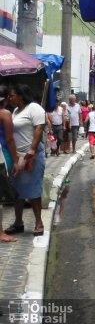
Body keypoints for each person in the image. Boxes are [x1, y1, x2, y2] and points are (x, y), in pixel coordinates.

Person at [5, 84, 46, 237]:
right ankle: (18, 222)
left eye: (12, 95)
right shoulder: (16, 111)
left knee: (33, 190)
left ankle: (38, 223)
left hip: (32, 156)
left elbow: (39, 129)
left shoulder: (34, 108)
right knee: (18, 191)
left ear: (21, 95)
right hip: (19, 156)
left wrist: (32, 150)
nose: (10, 98)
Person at [0, 85, 18, 242]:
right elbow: (10, 139)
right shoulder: (5, 113)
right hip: (2, 155)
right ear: (5, 99)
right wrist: (16, 159)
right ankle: (0, 233)